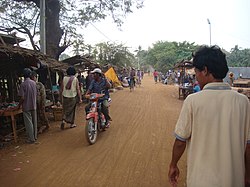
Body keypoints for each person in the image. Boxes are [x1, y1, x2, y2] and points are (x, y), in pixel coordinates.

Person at [168, 45, 250, 187]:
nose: (196, 76)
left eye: (197, 72)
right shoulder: (243, 102)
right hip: (234, 180)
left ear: (205, 71)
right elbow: (248, 146)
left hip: (200, 181)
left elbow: (181, 141)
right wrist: (247, 175)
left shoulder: (193, 101)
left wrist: (173, 165)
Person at [18, 68, 38, 144]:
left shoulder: (23, 85)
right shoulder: (34, 83)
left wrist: (19, 105)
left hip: (26, 106)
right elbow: (36, 94)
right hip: (33, 105)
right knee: (34, 121)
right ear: (30, 75)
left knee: (29, 122)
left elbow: (22, 97)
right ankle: (35, 137)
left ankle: (31, 139)